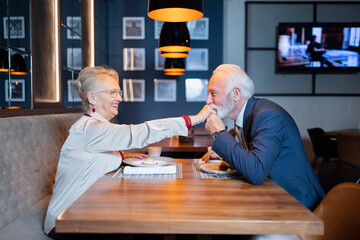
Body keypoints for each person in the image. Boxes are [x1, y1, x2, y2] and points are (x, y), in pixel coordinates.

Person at [44, 66, 214, 239]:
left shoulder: (96, 127)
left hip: (86, 211)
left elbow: (91, 160)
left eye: (119, 92)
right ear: (92, 97)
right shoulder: (89, 129)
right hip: (65, 221)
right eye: (112, 93)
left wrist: (123, 157)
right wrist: (195, 120)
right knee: (147, 216)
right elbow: (140, 132)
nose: (119, 98)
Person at [201, 64, 325, 210]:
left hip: (298, 203)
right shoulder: (249, 115)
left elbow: (256, 171)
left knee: (224, 211)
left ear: (235, 94)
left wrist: (218, 133)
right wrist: (225, 155)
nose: (208, 100)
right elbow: (255, 158)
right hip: (274, 196)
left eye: (213, 93)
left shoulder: (268, 116)